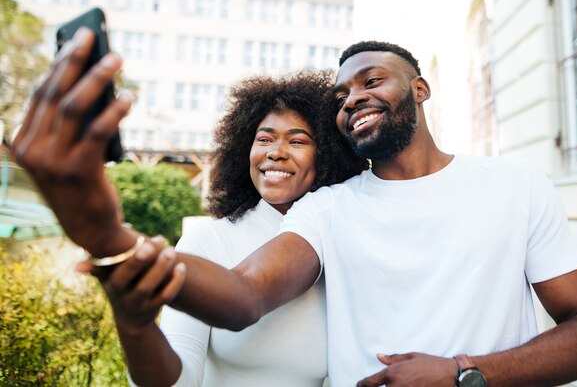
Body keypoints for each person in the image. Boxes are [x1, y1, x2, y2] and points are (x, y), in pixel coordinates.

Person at [12, 30, 577, 386]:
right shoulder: (328, 209)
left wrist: (462, 373)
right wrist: (109, 236)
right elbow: (244, 296)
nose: (354, 98)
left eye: (372, 82)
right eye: (343, 94)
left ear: (420, 90)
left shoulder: (515, 184)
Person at [87, 69, 368, 386]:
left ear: (330, 155)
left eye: (297, 140)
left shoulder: (339, 249)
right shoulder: (208, 239)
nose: (275, 151)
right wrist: (135, 324)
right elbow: (179, 379)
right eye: (264, 139)